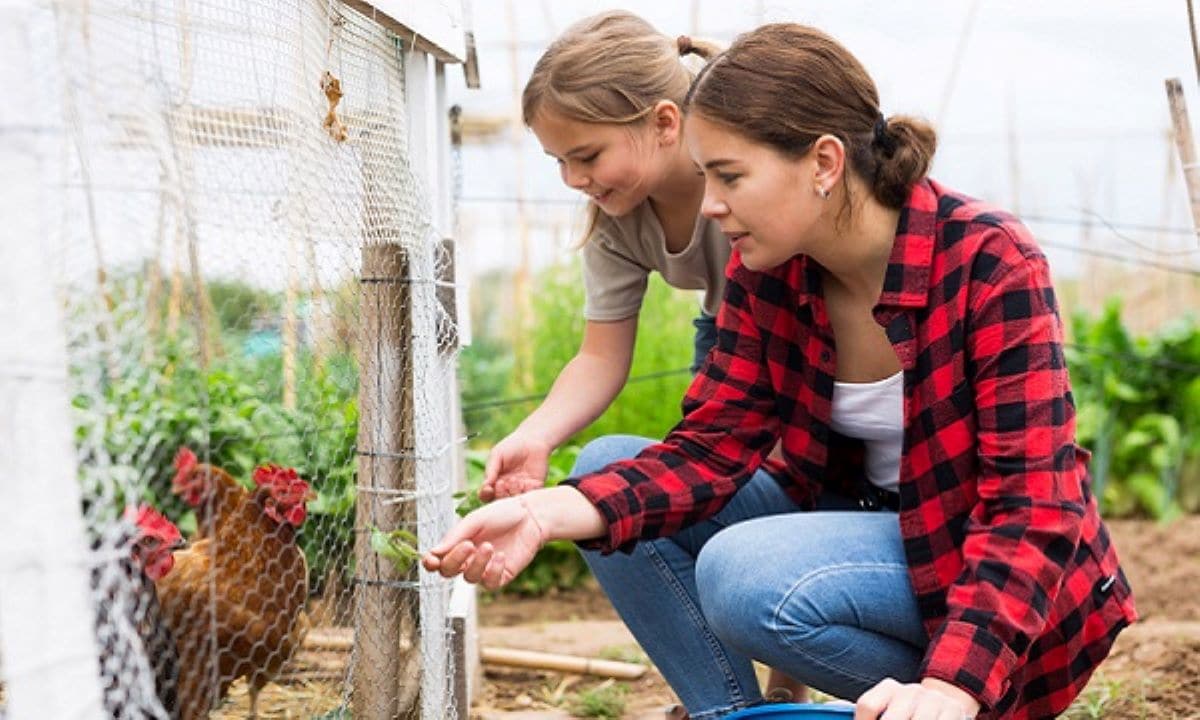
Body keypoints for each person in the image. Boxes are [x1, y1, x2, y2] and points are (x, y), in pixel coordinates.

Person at [428, 22, 1137, 720]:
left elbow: (1032, 504)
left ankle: (953, 707)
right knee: (606, 473)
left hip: (992, 580)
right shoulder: (769, 269)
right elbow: (710, 449)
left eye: (729, 176)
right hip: (866, 534)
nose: (708, 205)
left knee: (748, 577)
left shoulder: (986, 260)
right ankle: (734, 715)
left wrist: (952, 688)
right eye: (706, 176)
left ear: (825, 164)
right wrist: (538, 512)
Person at [480, 10, 727, 502]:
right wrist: (536, 434)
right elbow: (600, 356)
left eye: (588, 156)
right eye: (559, 161)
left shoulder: (741, 175)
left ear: (664, 122)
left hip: (800, 334)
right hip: (725, 334)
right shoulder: (616, 218)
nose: (572, 179)